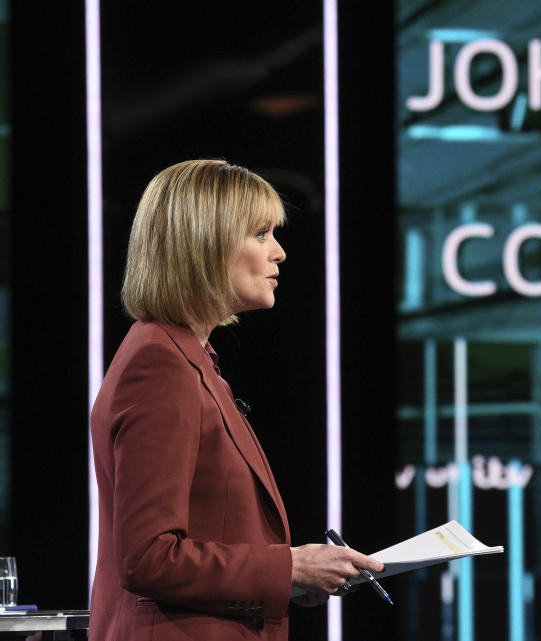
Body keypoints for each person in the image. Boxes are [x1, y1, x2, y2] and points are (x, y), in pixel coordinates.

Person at [89, 159, 383, 641]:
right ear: (206, 244)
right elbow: (147, 556)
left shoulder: (186, 357)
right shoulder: (160, 366)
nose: (280, 253)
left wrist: (292, 577)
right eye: (262, 234)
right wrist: (287, 567)